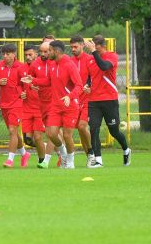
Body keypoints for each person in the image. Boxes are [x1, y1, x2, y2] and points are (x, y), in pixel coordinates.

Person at [85, 34, 131, 167]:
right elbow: (90, 77)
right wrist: (87, 85)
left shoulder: (112, 56)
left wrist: (94, 52)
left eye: (96, 48)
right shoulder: (90, 60)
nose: (94, 50)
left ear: (103, 46)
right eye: (93, 48)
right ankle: (98, 160)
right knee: (94, 129)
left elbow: (104, 67)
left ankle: (126, 150)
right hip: (94, 100)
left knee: (114, 131)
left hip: (109, 99)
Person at [0, 45, 27, 167]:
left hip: (17, 103)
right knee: (14, 132)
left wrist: (24, 92)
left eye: (8, 54)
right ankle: (24, 153)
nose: (5, 56)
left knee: (12, 131)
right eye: (4, 54)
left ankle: (10, 159)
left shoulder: (21, 66)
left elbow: (26, 83)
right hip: (4, 103)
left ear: (14, 54)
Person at [50, 40, 82, 168]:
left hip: (70, 106)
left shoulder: (69, 65)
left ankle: (70, 161)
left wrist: (69, 96)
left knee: (68, 135)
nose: (48, 53)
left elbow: (79, 86)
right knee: (51, 133)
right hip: (55, 106)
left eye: (50, 50)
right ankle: (63, 153)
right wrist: (33, 80)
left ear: (56, 51)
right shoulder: (53, 64)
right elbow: (48, 81)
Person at [19, 45, 52, 165]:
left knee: (38, 136)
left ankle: (42, 160)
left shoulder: (45, 66)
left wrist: (38, 85)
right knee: (28, 140)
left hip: (39, 107)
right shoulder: (23, 68)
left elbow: (48, 82)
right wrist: (21, 93)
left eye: (30, 55)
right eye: (26, 55)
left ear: (36, 55)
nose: (28, 57)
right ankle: (50, 148)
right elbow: (19, 84)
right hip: (26, 107)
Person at [69, 35, 95, 162]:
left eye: (75, 46)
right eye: (71, 47)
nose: (73, 49)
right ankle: (90, 158)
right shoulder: (69, 61)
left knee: (82, 126)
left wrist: (90, 87)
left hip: (87, 99)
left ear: (82, 46)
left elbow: (95, 77)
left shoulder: (90, 59)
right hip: (74, 100)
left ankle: (91, 152)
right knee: (79, 131)